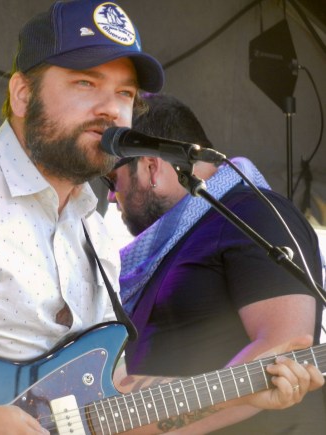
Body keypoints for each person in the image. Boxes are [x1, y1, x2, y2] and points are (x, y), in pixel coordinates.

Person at [0, 2, 324, 434]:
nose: (111, 109)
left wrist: (245, 393)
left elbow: (111, 403)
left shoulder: (93, 230)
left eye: (124, 94)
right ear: (22, 94)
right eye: (85, 83)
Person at [105, 92, 326, 433]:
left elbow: (285, 348)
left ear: (151, 167)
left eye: (111, 179)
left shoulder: (252, 214)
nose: (109, 195)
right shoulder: (175, 242)